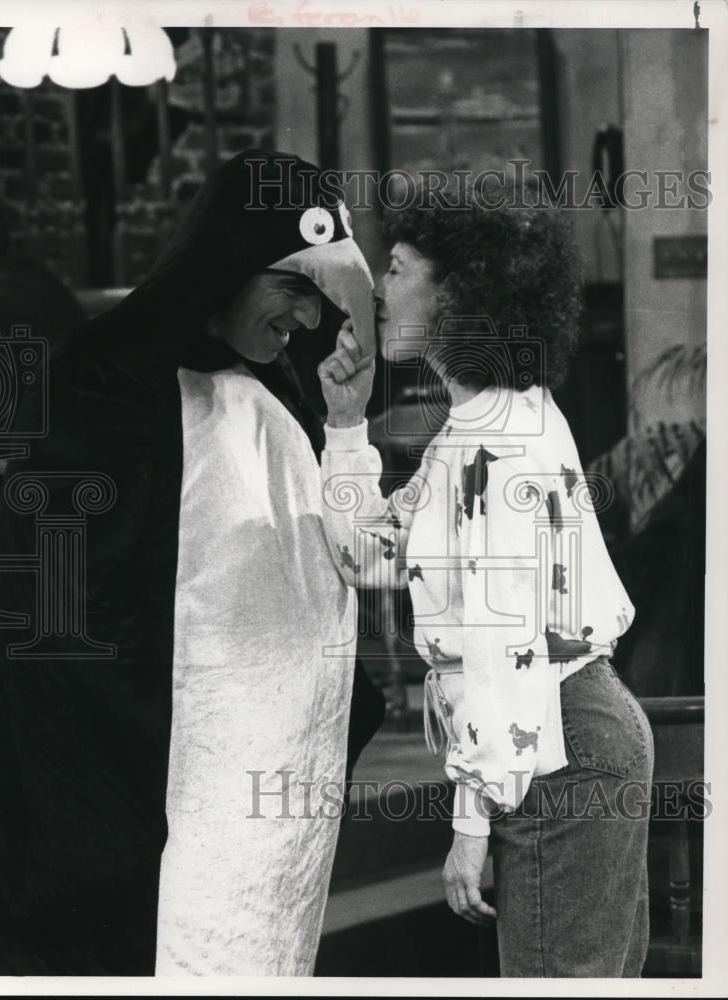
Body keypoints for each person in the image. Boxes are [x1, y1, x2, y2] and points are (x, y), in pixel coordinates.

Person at [0, 150, 384, 977]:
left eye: (320, 300)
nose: (307, 321)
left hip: (276, 814)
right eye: (293, 291)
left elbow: (352, 557)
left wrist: (347, 428)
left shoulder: (279, 394)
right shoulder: (97, 391)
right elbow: (52, 620)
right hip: (149, 793)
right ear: (230, 266)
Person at [317, 183, 655, 977]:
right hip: (559, 735)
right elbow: (371, 554)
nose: (378, 288)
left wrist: (472, 822)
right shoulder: (492, 420)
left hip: (552, 740)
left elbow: (505, 647)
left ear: (458, 293)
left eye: (396, 269)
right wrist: (342, 426)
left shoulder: (491, 443)